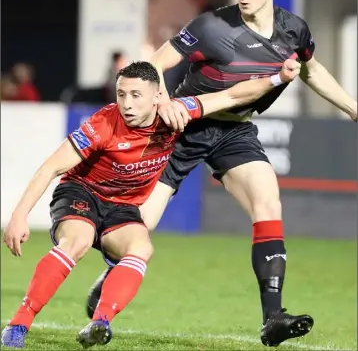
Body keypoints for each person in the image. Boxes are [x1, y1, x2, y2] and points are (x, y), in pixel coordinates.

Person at [86, 0, 357, 348]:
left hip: (234, 130)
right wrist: (163, 102)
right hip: (182, 131)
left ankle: (273, 318)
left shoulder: (293, 30)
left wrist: (352, 107)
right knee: (139, 226)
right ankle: (109, 279)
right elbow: (156, 63)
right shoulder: (211, 26)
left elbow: (310, 70)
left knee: (268, 201)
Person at [1, 60, 299, 349]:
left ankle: (100, 323)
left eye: (135, 95)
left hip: (122, 206)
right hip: (82, 193)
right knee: (77, 242)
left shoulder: (176, 114)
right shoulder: (103, 123)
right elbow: (50, 167)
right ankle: (18, 325)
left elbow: (232, 95)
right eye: (121, 94)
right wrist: (19, 216)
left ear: (158, 96)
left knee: (142, 248)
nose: (127, 104)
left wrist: (278, 79)